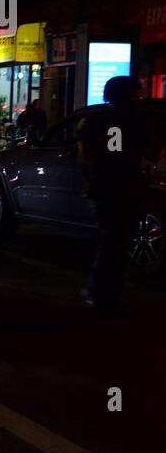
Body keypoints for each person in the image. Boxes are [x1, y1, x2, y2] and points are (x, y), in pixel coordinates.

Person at [78, 76, 158, 312]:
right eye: (137, 95)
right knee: (115, 240)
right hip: (122, 187)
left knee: (114, 239)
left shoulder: (96, 120)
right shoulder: (132, 121)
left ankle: (105, 288)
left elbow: (88, 155)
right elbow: (152, 152)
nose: (139, 99)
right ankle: (102, 290)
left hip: (107, 186)